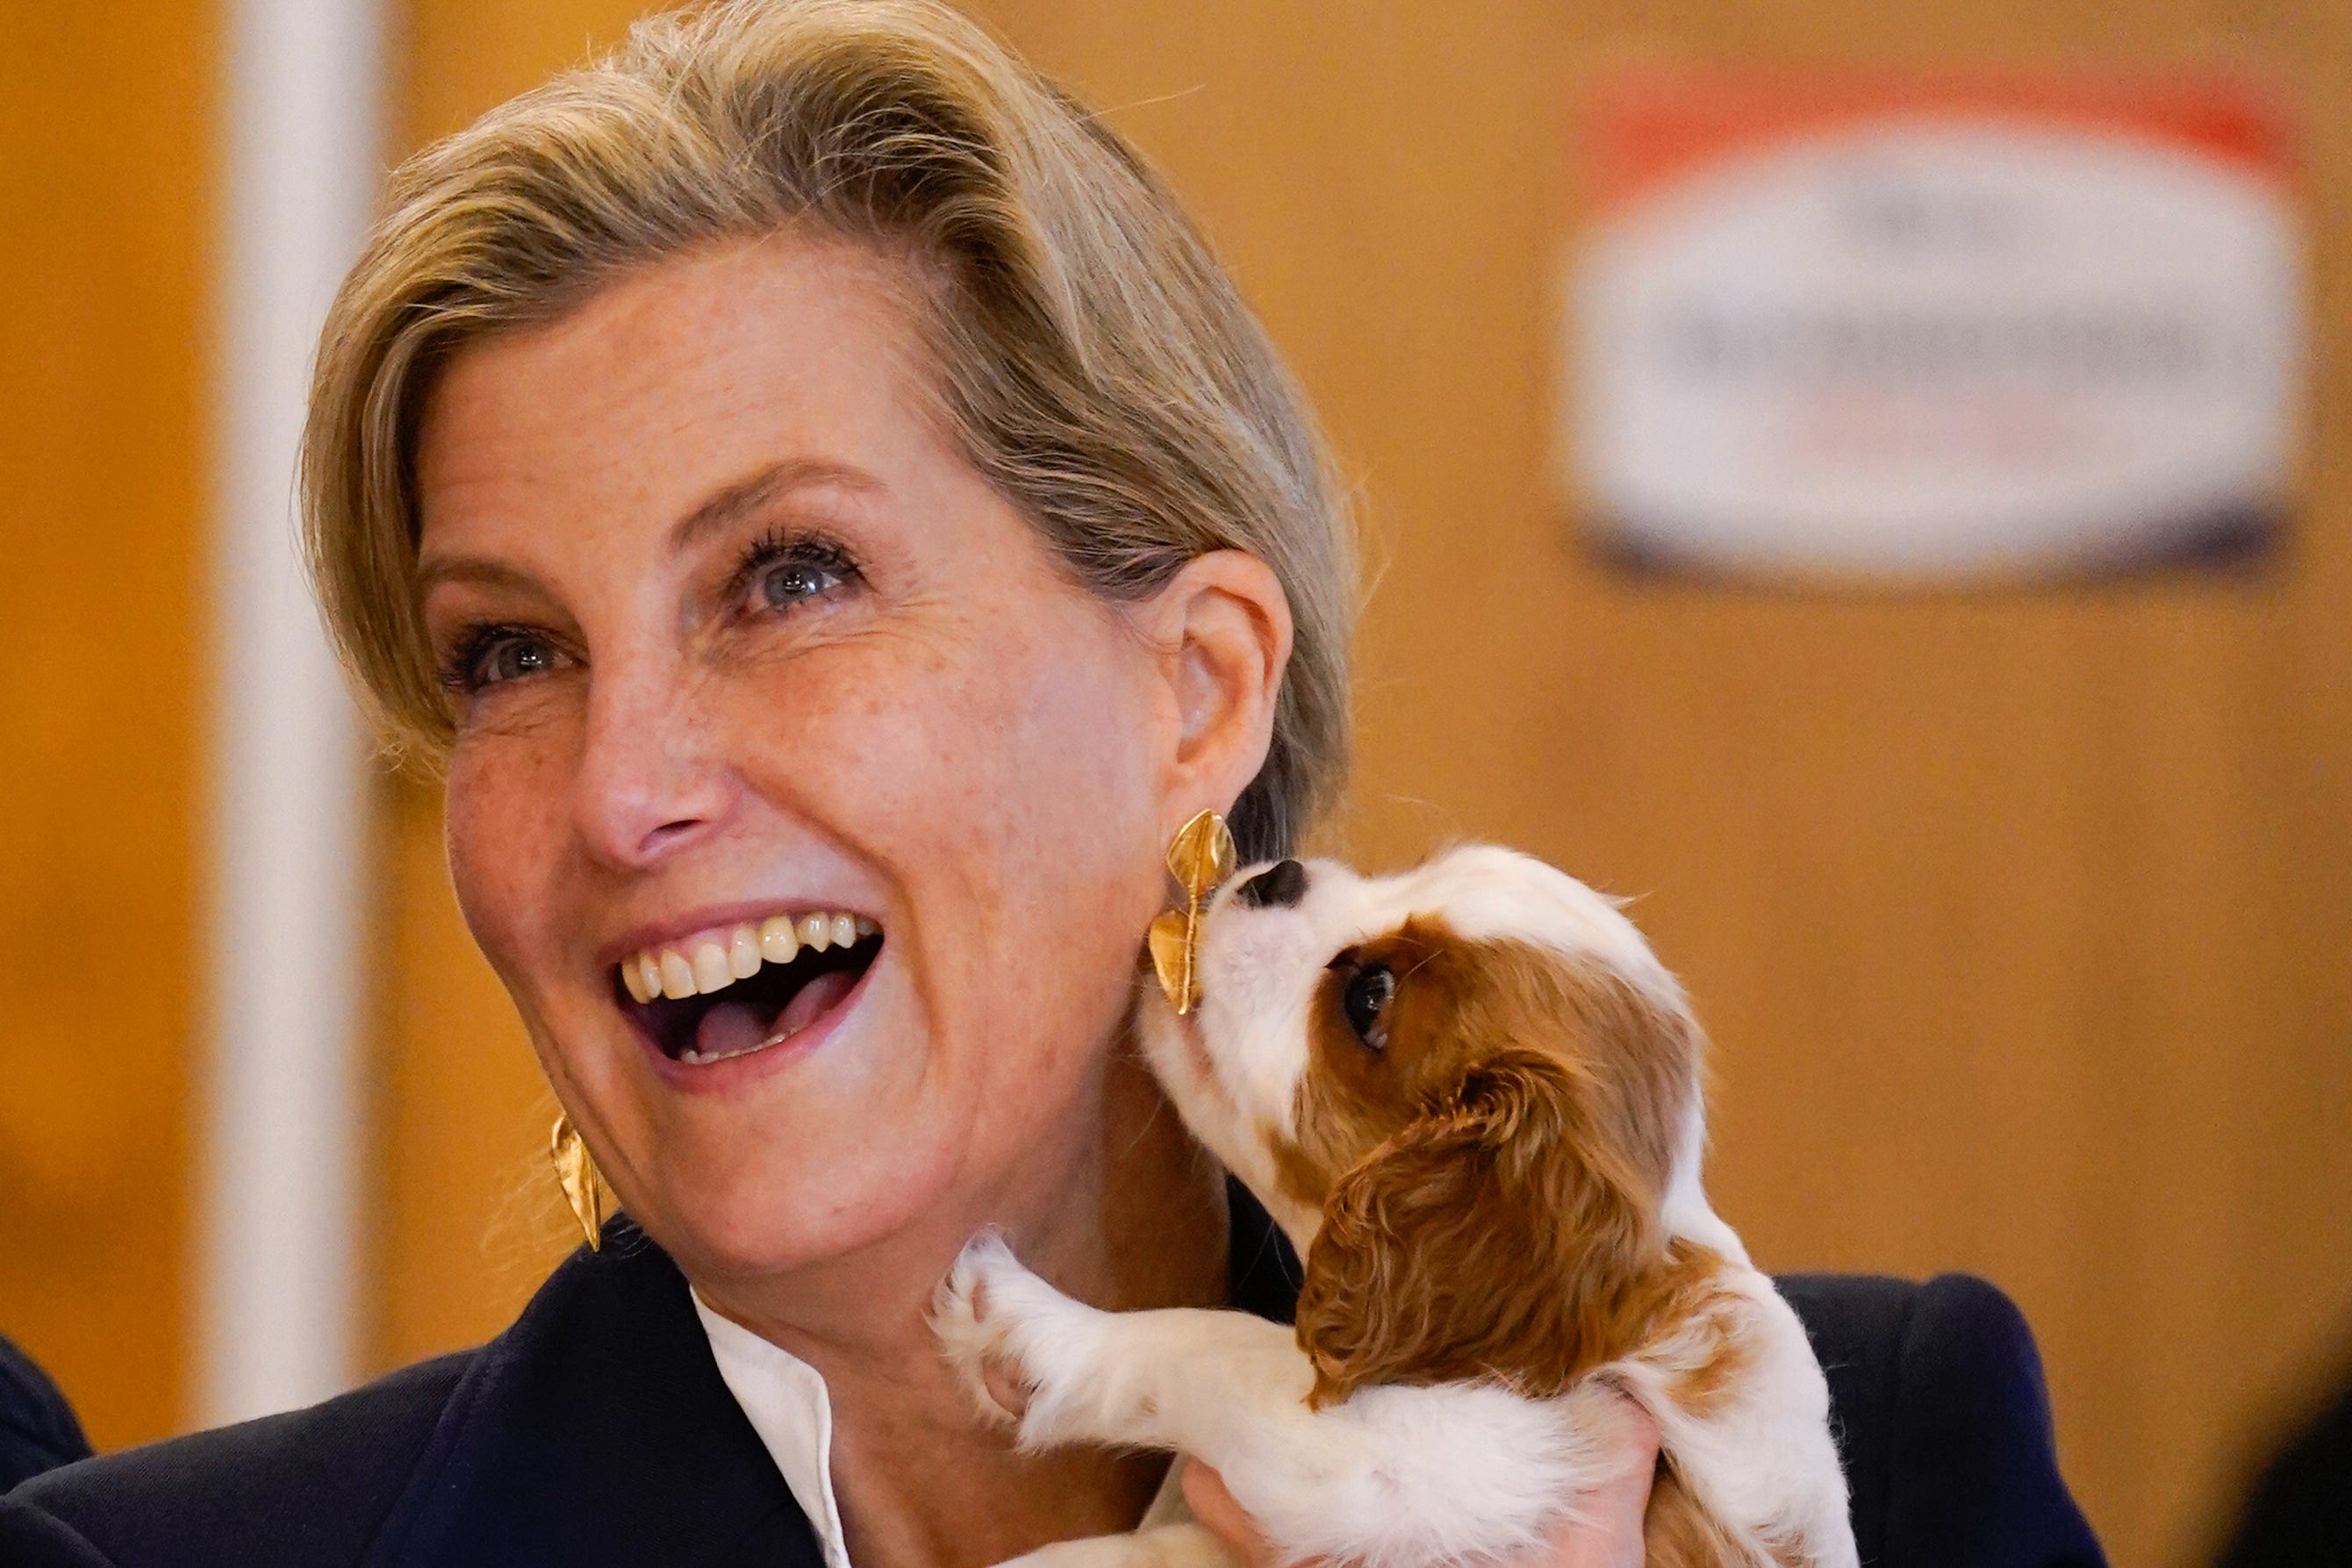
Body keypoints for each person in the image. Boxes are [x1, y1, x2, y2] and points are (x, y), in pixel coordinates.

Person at [0, 3, 2102, 1564]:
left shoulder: (1880, 1469)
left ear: (1194, 696)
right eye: (509, 654)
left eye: (789, 577)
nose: (617, 791)